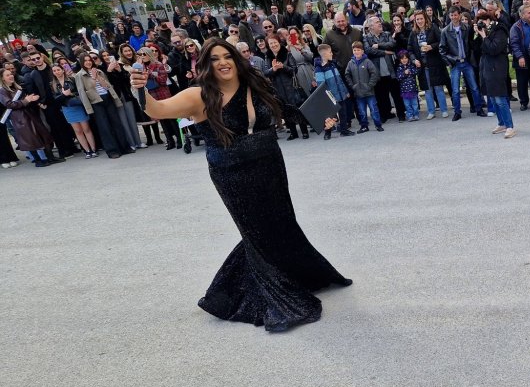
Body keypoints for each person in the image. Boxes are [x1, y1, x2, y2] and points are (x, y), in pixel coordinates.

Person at [128, 38, 351, 331]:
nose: (223, 62)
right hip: (231, 172)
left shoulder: (255, 84)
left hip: (270, 164)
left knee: (281, 223)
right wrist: (139, 89)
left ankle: (301, 274)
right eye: (214, 59)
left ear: (235, 59)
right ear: (205, 66)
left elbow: (285, 111)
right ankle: (240, 293)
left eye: (227, 56)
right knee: (256, 231)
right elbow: (157, 110)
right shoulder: (199, 96)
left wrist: (321, 119)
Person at [0, 67, 61, 167]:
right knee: (29, 139)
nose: (11, 76)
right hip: (20, 118)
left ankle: (49, 157)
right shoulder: (2, 91)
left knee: (42, 135)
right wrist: (26, 100)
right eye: (7, 75)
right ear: (2, 78)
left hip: (29, 114)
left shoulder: (16, 87)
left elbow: (24, 100)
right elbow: (9, 104)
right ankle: (38, 161)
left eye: (11, 74)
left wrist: (31, 99)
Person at [74, 52, 132, 157]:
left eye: (89, 60)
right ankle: (112, 151)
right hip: (96, 102)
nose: (88, 62)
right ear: (82, 62)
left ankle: (124, 147)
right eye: (85, 61)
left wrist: (98, 77)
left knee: (116, 124)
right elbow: (82, 92)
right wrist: (88, 109)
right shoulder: (79, 75)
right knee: (104, 127)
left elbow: (106, 86)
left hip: (107, 98)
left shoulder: (99, 71)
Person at [439, 6, 487, 120]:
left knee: (474, 87)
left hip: (467, 62)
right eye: (451, 15)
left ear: (459, 15)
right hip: (455, 63)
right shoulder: (445, 31)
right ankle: (457, 111)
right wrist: (451, 60)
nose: (454, 17)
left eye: (455, 15)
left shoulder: (466, 28)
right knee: (455, 90)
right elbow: (442, 50)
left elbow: (471, 43)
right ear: (449, 16)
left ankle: (479, 108)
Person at [475, 11, 515, 138]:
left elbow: (494, 49)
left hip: (497, 68)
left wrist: (485, 37)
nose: (482, 24)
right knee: (492, 98)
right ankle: (501, 123)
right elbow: (475, 49)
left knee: (500, 99)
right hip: (486, 68)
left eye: (484, 21)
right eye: (479, 21)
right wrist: (477, 34)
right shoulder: (484, 33)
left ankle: (510, 126)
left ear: (490, 20)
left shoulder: (500, 31)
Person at [408, 10, 449, 120]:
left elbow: (441, 42)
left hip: (434, 63)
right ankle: (431, 111)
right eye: (417, 19)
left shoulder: (433, 28)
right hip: (422, 65)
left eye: (421, 18)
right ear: (415, 21)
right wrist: (414, 60)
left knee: (438, 88)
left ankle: (444, 110)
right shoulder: (413, 33)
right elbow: (410, 49)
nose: (420, 21)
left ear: (425, 18)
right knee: (427, 89)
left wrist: (431, 46)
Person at [50, 64, 98, 157]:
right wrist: (64, 95)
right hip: (66, 108)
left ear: (63, 70)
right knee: (77, 131)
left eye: (58, 70)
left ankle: (93, 149)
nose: (57, 72)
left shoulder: (72, 79)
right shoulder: (53, 84)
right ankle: (87, 150)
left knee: (86, 129)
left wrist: (71, 94)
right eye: (54, 71)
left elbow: (80, 91)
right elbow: (54, 100)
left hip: (77, 106)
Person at [313, 44, 354, 134]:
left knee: (343, 113)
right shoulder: (319, 68)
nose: (332, 54)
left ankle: (344, 130)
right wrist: (328, 97)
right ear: (324, 54)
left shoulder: (333, 64)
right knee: (330, 115)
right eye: (330, 52)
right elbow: (321, 86)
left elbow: (340, 80)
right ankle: (327, 133)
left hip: (340, 93)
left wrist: (345, 91)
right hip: (330, 96)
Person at [344, 41, 382, 132]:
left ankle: (378, 125)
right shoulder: (350, 63)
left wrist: (370, 85)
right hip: (358, 93)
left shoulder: (367, 61)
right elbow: (347, 75)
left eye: (358, 50)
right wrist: (352, 86)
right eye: (354, 50)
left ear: (362, 51)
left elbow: (374, 73)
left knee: (374, 109)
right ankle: (364, 126)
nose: (356, 52)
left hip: (369, 92)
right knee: (362, 111)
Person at [509, 4, 530, 110]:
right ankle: (524, 102)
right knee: (522, 82)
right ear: (522, 15)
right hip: (522, 57)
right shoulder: (516, 27)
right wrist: (520, 57)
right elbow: (514, 43)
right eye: (529, 13)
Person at [395, 50, 420, 121]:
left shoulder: (411, 66)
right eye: (402, 59)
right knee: (407, 104)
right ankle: (410, 115)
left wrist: (411, 71)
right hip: (404, 90)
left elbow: (416, 72)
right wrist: (404, 73)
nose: (404, 60)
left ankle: (416, 115)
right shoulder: (399, 68)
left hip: (413, 89)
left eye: (406, 58)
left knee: (415, 104)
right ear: (400, 60)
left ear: (408, 58)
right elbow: (398, 77)